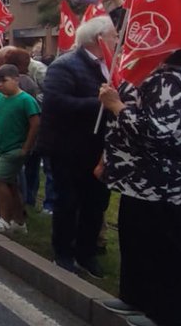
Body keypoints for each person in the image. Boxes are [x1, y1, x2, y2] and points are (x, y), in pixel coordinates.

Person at [97, 16, 181, 326]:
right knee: (136, 237)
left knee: (163, 247)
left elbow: (156, 132)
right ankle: (135, 297)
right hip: (146, 177)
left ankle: (168, 314)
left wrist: (116, 106)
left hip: (162, 178)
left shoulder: (172, 79)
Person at [39, 15, 116, 277]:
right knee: (68, 203)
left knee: (96, 204)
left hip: (101, 148)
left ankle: (87, 253)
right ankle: (63, 252)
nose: (118, 40)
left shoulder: (112, 66)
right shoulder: (65, 65)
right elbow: (55, 103)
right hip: (69, 148)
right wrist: (102, 103)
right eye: (114, 36)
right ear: (99, 39)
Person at [0, 65, 40, 234]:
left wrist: (26, 147)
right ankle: (19, 222)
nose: (0, 85)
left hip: (15, 149)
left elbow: (35, 124)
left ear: (16, 80)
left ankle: (4, 219)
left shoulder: (26, 100)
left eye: (4, 81)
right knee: (10, 184)